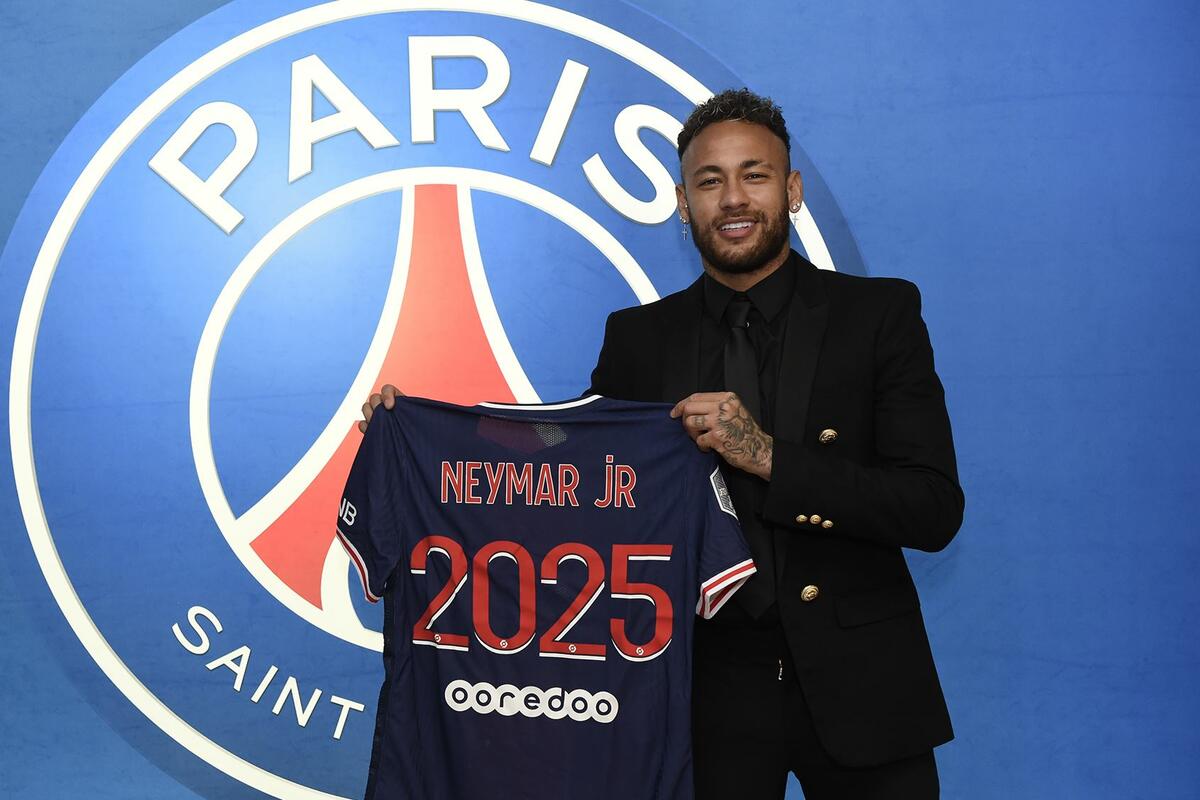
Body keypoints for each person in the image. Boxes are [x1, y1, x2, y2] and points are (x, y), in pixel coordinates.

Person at [363, 88, 963, 799]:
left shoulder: (879, 314)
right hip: (700, 695)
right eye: (709, 181)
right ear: (682, 203)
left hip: (866, 686)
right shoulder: (638, 339)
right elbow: (571, 473)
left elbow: (931, 508)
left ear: (793, 190)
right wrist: (419, 435)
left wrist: (769, 456)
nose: (733, 198)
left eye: (755, 175)